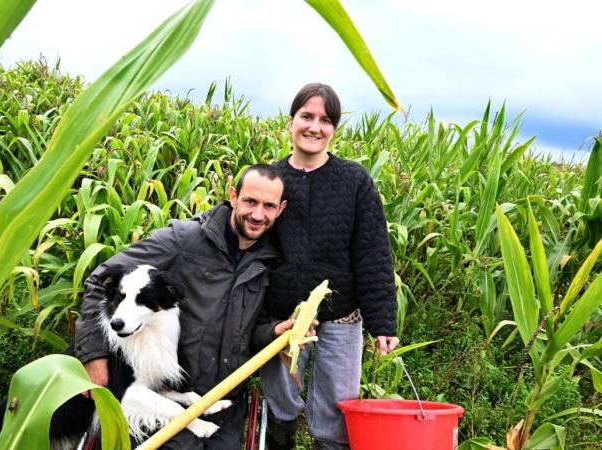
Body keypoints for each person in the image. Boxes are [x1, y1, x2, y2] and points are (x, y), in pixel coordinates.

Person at [73, 164, 291, 449]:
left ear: (280, 209)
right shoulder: (183, 239)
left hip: (225, 404)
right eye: (250, 201)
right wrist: (93, 354)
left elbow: (253, 331)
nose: (258, 214)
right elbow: (99, 281)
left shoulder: (269, 261)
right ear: (234, 196)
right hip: (170, 396)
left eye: (268, 206)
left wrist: (276, 332)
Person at [261, 83, 399, 450]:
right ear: (290, 122)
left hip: (342, 316)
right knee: (279, 399)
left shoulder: (354, 181)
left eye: (325, 120)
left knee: (337, 410)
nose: (314, 127)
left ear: (334, 129)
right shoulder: (272, 181)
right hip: (284, 317)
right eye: (306, 116)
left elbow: (373, 254)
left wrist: (382, 321)